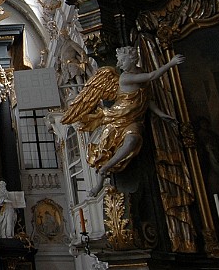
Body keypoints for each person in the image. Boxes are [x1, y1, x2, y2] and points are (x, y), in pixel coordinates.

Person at [62, 46, 185, 196]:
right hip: (117, 117)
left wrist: (160, 114)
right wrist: (171, 63)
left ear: (132, 59)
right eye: (119, 61)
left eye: (122, 60)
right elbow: (152, 76)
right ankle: (103, 173)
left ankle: (106, 168)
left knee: (132, 141)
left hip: (133, 119)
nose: (119, 64)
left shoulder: (138, 72)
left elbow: (146, 97)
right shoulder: (125, 77)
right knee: (104, 151)